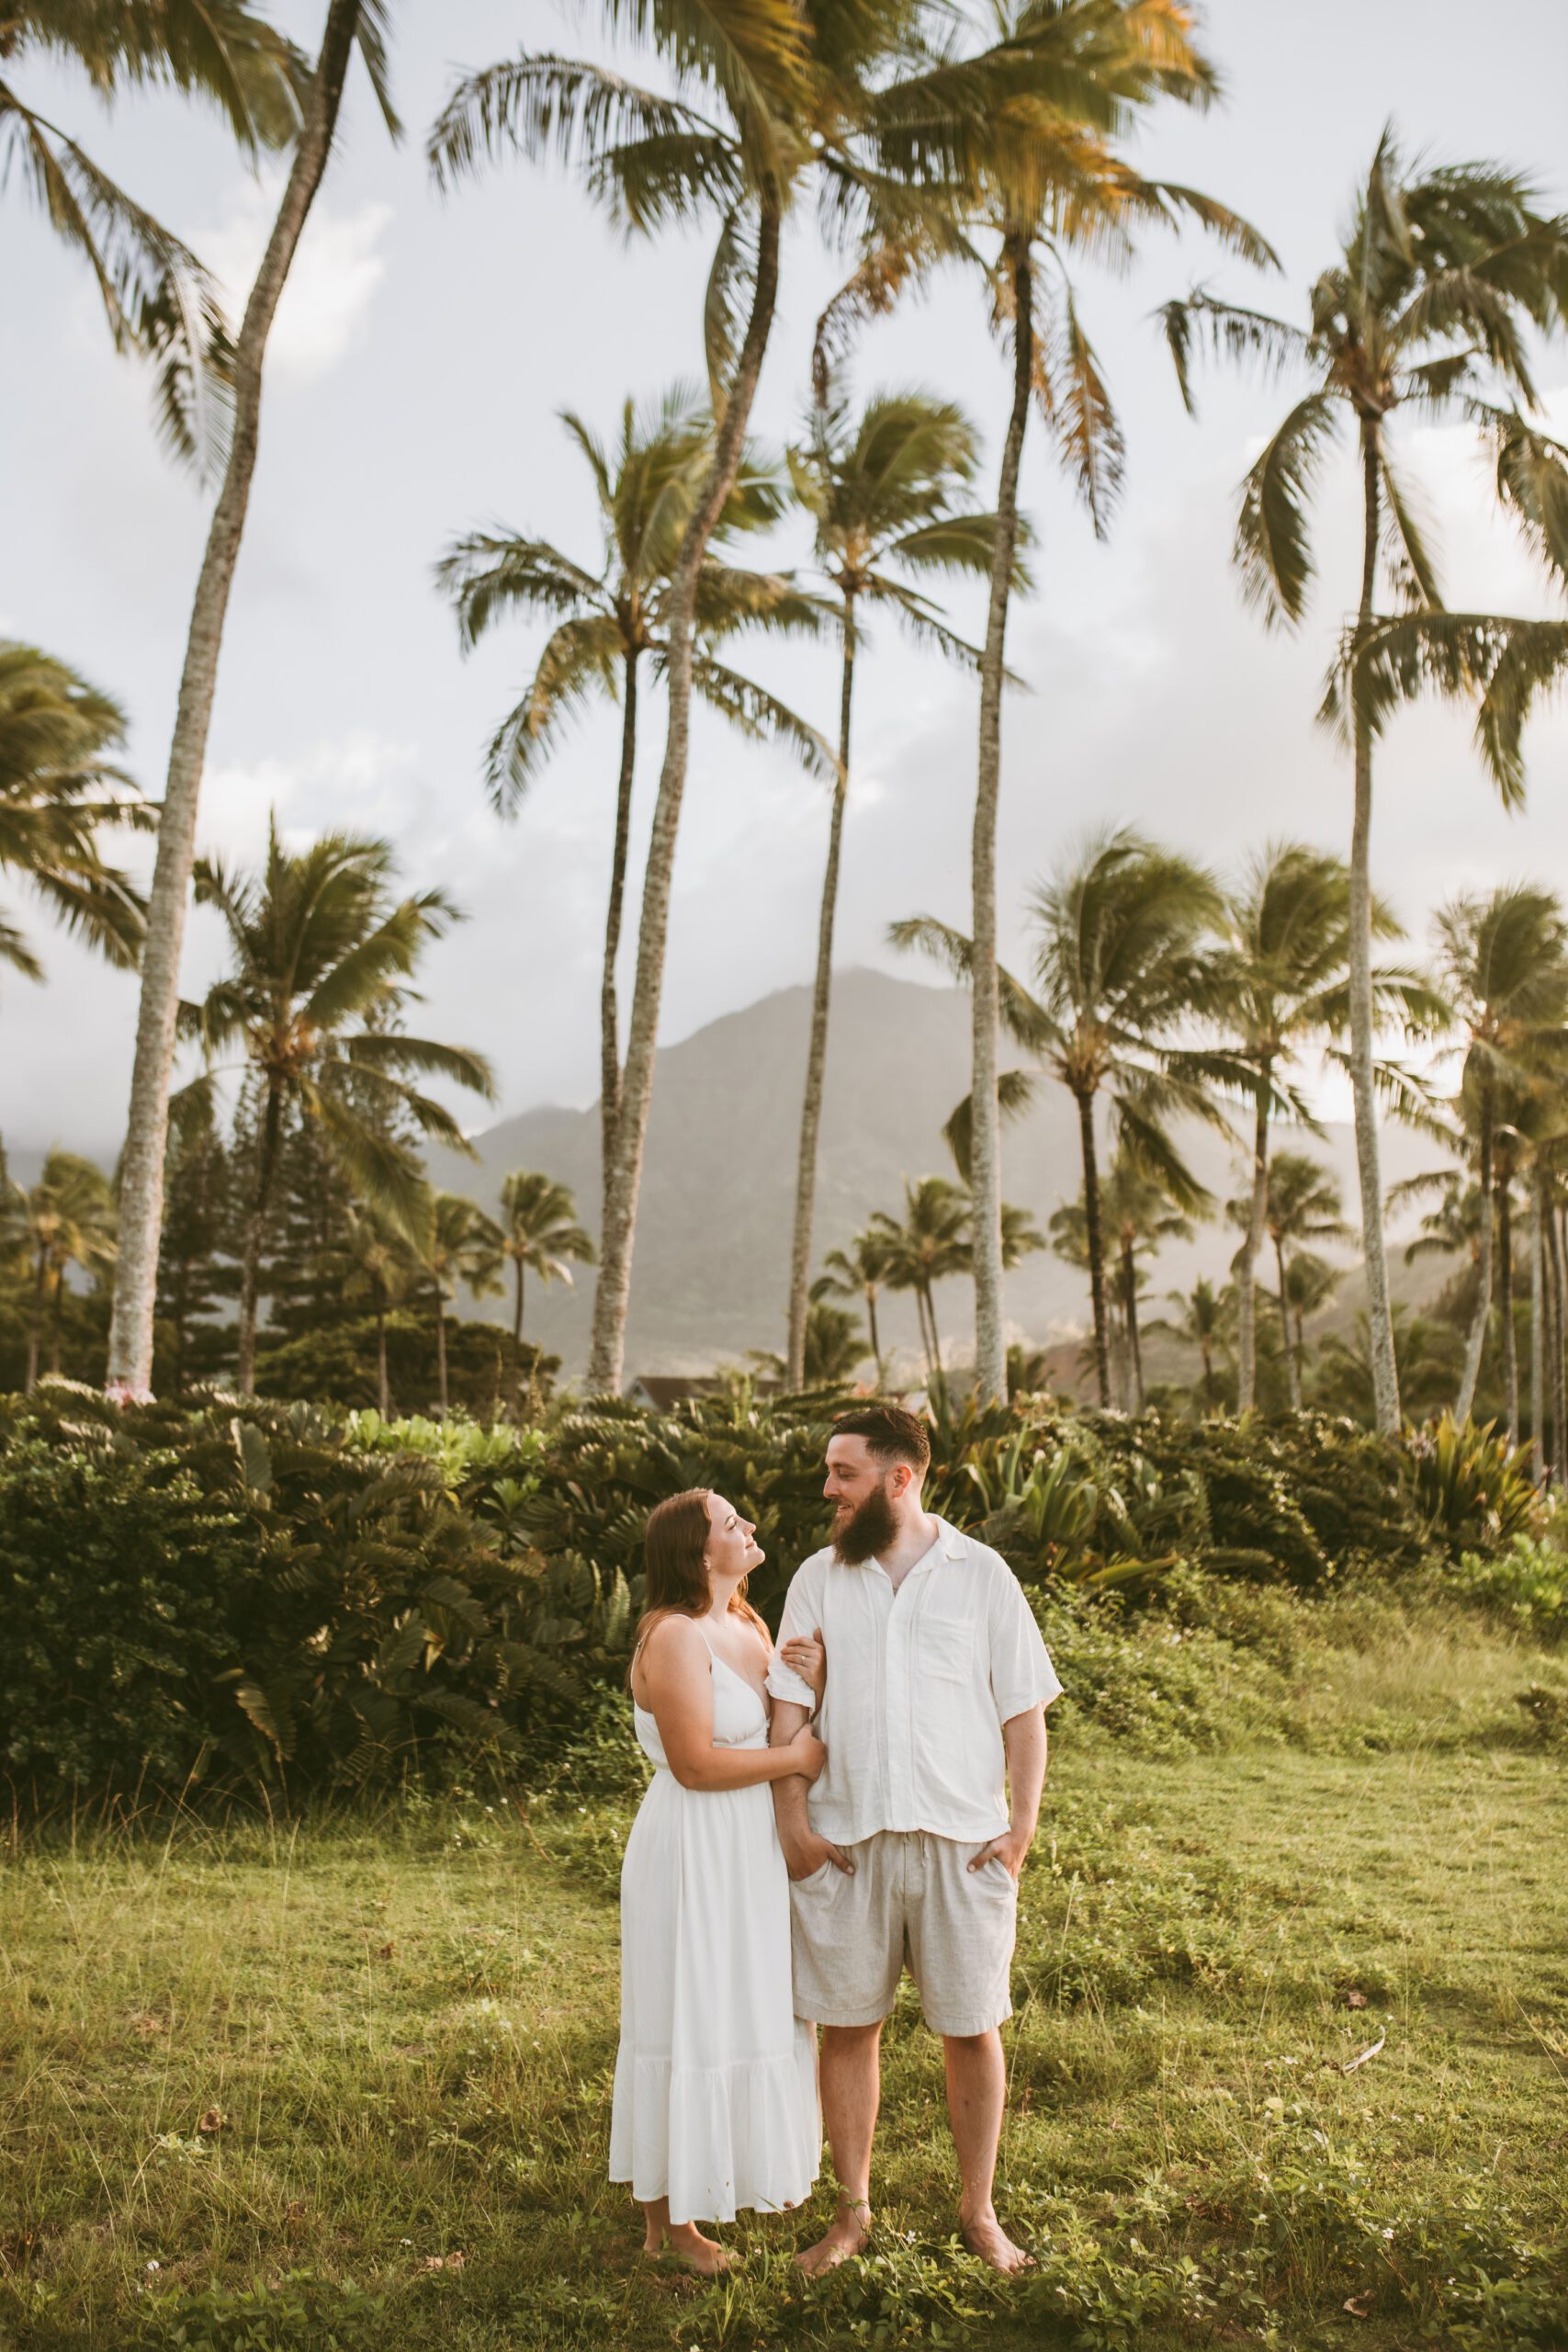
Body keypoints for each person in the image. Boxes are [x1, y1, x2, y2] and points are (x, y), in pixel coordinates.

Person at [766, 1404, 1063, 2276]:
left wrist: (1020, 1830)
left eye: (844, 1474)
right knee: (846, 2030)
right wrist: (794, 1825)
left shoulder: (982, 1575)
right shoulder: (818, 1576)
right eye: (829, 1472)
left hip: (961, 1843)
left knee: (971, 2028)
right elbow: (791, 1703)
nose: (828, 1488)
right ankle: (851, 2215)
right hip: (845, 1841)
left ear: (900, 1479)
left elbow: (1024, 1709)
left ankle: (978, 2212)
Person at [609, 1487, 830, 2273]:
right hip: (693, 1841)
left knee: (743, 2006)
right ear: (698, 1553)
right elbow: (697, 1764)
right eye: (732, 1523)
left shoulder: (745, 1621)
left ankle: (710, 2185)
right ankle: (666, 2228)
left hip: (749, 1847)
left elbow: (773, 1722)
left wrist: (807, 1678)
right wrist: (796, 1760)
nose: (749, 1528)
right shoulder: (672, 1636)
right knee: (682, 2009)